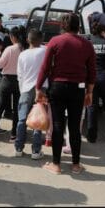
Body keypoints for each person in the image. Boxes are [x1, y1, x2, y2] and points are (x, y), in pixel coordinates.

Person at [36, 12, 96, 175]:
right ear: (79, 26)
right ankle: (76, 165)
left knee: (57, 125)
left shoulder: (55, 41)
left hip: (57, 87)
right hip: (78, 88)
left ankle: (56, 165)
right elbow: (92, 70)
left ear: (62, 26)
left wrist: (38, 88)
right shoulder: (87, 44)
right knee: (75, 126)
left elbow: (45, 67)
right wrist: (89, 92)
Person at [14, 29, 47, 160]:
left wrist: (22, 90)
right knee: (38, 120)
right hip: (41, 88)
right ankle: (36, 150)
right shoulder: (44, 51)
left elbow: (19, 75)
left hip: (25, 88)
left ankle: (18, 148)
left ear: (27, 40)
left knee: (22, 120)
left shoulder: (22, 54)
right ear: (41, 40)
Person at [0, 26, 27, 142]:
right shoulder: (25, 49)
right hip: (20, 81)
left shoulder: (9, 49)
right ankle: (14, 135)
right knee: (17, 108)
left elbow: (0, 64)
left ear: (13, 37)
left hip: (6, 80)